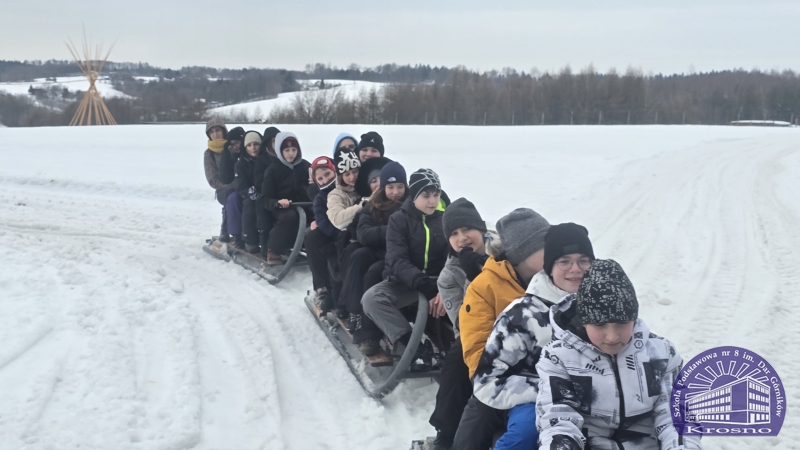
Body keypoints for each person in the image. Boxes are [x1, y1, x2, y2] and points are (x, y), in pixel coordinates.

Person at [536, 259, 701, 450]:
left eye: (622, 323)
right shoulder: (559, 357)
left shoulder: (661, 354)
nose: (612, 336)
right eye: (600, 325)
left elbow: (675, 416)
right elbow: (559, 420)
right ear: (584, 322)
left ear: (634, 320)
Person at [472, 223, 596, 450]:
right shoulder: (521, 315)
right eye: (564, 261)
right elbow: (487, 380)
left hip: (600, 395)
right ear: (550, 266)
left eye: (583, 260)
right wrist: (554, 389)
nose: (575, 269)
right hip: (536, 400)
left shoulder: (606, 307)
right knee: (526, 433)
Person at [453, 207, 550, 450]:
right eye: (544, 246)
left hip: (549, 380)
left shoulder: (560, 280)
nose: (553, 252)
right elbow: (477, 355)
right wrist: (517, 383)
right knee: (475, 424)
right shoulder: (484, 287)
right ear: (522, 253)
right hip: (503, 378)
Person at [428, 198, 501, 450]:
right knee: (457, 360)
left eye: (467, 229)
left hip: (517, 325)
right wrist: (474, 277)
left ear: (480, 228)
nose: (462, 239)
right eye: (454, 234)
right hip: (480, 333)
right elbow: (463, 323)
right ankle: (447, 432)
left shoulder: (504, 251)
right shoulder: (449, 276)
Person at [361, 168, 450, 371]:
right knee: (372, 299)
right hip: (406, 283)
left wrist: (443, 288)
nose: (432, 201)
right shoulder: (399, 220)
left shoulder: (444, 220)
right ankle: (414, 348)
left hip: (439, 284)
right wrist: (422, 283)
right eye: (426, 195)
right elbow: (397, 259)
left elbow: (451, 260)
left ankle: (455, 347)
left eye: (436, 194)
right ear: (415, 195)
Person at [344, 161, 407, 355]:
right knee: (358, 256)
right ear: (383, 187)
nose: (396, 192)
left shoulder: (410, 204)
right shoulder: (373, 205)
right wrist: (393, 230)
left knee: (374, 272)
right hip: (378, 249)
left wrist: (385, 232)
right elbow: (364, 233)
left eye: (400, 187)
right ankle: (355, 311)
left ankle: (369, 333)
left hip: (398, 254)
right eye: (391, 187)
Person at [261, 132, 311, 265]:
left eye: (294, 150)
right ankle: (274, 249)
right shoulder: (272, 170)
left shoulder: (305, 166)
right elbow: (265, 198)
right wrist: (277, 202)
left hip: (306, 204)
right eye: (287, 150)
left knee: (319, 214)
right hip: (283, 208)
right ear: (279, 151)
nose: (291, 154)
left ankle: (314, 246)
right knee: (290, 217)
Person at [305, 156, 340, 313]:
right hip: (334, 233)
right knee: (312, 238)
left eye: (327, 174)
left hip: (351, 232)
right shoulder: (320, 198)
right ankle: (323, 286)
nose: (325, 180)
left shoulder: (346, 190)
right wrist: (339, 231)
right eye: (320, 178)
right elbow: (322, 221)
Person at [234, 131, 271, 255]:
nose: (253, 148)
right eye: (249, 145)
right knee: (250, 204)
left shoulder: (267, 160)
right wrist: (249, 191)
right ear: (245, 147)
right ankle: (250, 239)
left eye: (256, 144)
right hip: (248, 192)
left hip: (264, 191)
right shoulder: (241, 163)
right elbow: (241, 182)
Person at [202, 117, 235, 241]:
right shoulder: (209, 154)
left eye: (217, 130)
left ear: (223, 131)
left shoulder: (234, 147)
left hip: (241, 185)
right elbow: (212, 180)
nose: (215, 134)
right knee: (232, 196)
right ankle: (225, 229)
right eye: (212, 132)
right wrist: (233, 184)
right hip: (223, 189)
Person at [217, 126, 246, 247]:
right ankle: (235, 234)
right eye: (232, 144)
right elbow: (225, 178)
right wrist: (226, 153)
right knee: (233, 198)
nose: (235, 147)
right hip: (231, 188)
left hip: (248, 187)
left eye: (237, 143)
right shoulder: (231, 155)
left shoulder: (250, 153)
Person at [327, 151, 363, 230]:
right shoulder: (335, 194)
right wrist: (363, 205)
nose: (352, 177)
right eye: (347, 174)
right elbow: (337, 220)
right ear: (341, 177)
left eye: (355, 171)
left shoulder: (369, 186)